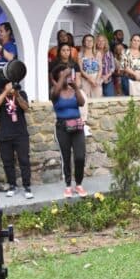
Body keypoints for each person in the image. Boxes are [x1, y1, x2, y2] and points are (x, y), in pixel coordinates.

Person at [51, 63, 88, 199]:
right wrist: (63, 77)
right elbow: (55, 94)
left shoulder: (73, 90)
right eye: (62, 74)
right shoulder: (54, 91)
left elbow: (81, 102)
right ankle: (68, 185)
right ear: (57, 77)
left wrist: (76, 87)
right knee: (65, 157)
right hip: (62, 128)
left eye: (67, 74)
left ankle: (78, 184)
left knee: (80, 157)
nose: (66, 76)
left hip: (77, 127)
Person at [0, 82, 33, 199]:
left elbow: (26, 108)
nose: (11, 86)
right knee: (7, 162)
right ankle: (12, 185)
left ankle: (27, 186)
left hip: (20, 133)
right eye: (9, 84)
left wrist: (17, 95)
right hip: (4, 134)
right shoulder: (0, 94)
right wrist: (5, 92)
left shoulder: (21, 94)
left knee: (24, 160)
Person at [78, 34, 102, 98]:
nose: (89, 42)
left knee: (97, 99)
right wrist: (89, 79)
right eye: (87, 40)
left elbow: (100, 69)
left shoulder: (98, 53)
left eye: (91, 41)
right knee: (86, 98)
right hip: (85, 79)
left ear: (93, 42)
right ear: (84, 42)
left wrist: (97, 80)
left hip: (96, 79)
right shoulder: (80, 54)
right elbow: (81, 69)